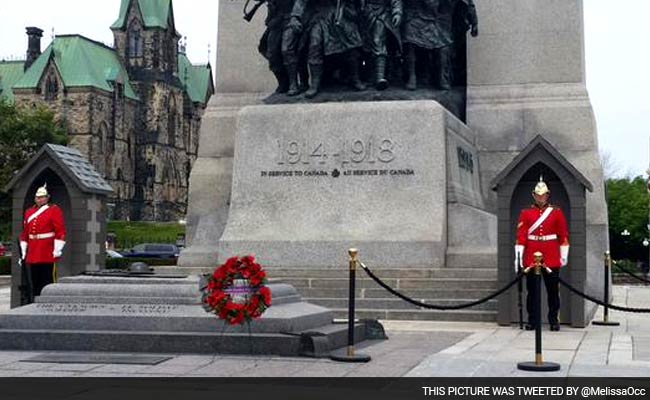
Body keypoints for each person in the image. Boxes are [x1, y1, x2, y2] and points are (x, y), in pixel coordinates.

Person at [515, 179, 569, 331]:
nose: (540, 198)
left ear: (547, 195)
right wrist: (518, 256)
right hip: (531, 255)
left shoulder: (556, 212)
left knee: (552, 291)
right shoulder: (526, 213)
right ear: (533, 195)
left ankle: (553, 320)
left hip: (551, 255)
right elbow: (521, 236)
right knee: (532, 292)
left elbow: (563, 235)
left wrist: (563, 254)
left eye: (543, 195)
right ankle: (532, 320)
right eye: (538, 195)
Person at [287, 0, 367, 98]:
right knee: (315, 46)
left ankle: (355, 79)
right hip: (319, 16)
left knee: (351, 46)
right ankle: (314, 84)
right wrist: (295, 16)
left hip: (341, 13)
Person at [19, 184, 66, 298]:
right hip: (33, 251)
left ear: (47, 197)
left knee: (47, 281)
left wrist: (57, 249)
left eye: (42, 197)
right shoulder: (29, 212)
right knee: (35, 281)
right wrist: (24, 251)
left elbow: (60, 230)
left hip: (47, 250)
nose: (39, 199)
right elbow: (25, 232)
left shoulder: (54, 210)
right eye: (37, 197)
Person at [359, 0, 402, 90]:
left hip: (382, 15)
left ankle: (380, 77)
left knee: (378, 41)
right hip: (364, 16)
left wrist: (397, 12)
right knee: (366, 46)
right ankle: (369, 76)